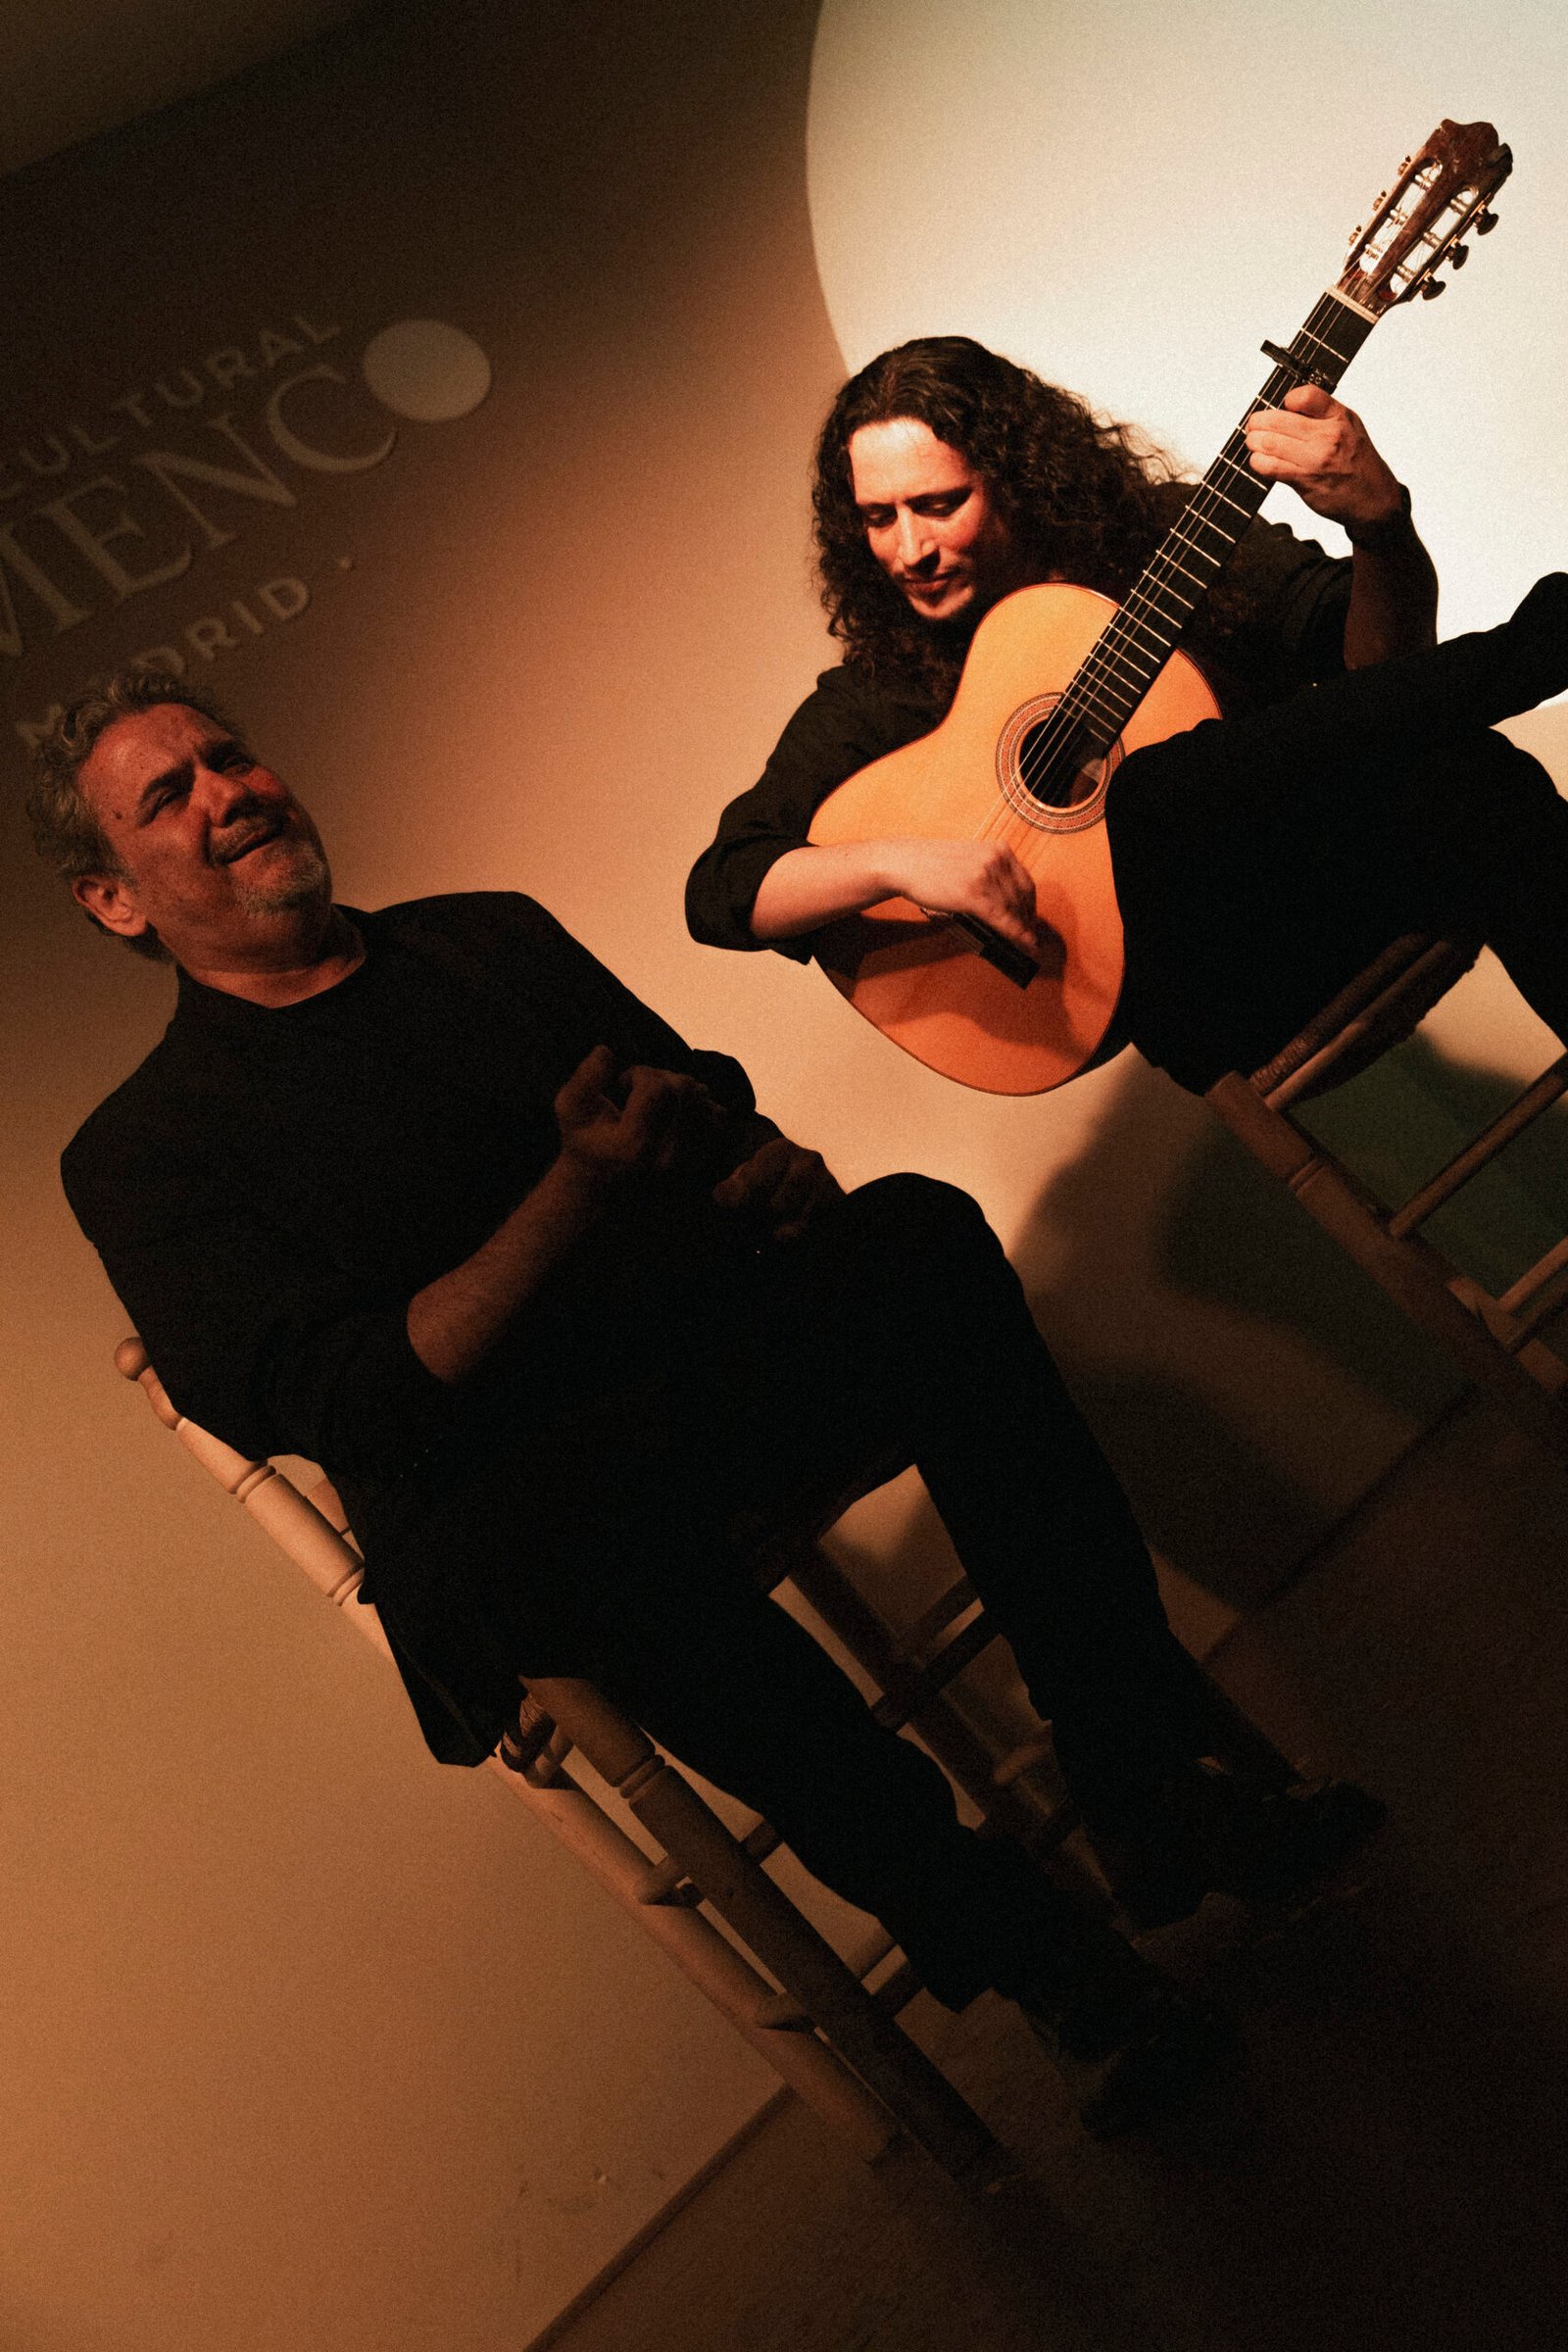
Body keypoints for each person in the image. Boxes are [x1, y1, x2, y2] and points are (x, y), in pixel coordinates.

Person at [34, 677, 1398, 2139]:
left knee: (917, 1241)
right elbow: (352, 1402)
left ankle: (1143, 1781)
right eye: (167, 796)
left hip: (689, 1350)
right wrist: (574, 1190)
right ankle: (1033, 1951)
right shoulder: (144, 1150)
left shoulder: (482, 936)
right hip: (503, 1480)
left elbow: (691, 1094)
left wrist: (757, 1158)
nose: (227, 792)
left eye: (228, 756)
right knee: (567, 1552)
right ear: (115, 901)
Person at [686, 336, 1568, 1089]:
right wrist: (901, 863)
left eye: (939, 504)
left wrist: (1382, 529)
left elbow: (1387, 683)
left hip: (1341, 891)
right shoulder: (880, 691)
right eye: (879, 519)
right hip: (1208, 995)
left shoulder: (1172, 541)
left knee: (1478, 775)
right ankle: (1543, 642)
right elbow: (723, 888)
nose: (909, 548)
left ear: (1015, 477)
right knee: (1153, 790)